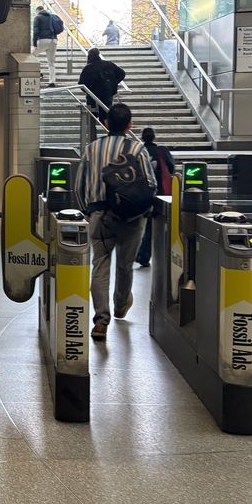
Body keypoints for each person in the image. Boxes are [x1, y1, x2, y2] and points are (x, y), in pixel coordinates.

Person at [75, 103, 156, 341]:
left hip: (100, 215)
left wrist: (88, 212)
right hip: (132, 217)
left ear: (106, 123)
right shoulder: (138, 149)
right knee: (125, 264)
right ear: (130, 125)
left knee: (100, 265)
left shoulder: (91, 149)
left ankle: (101, 321)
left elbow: (79, 186)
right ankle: (121, 303)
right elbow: (151, 184)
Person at [135, 127, 175, 267]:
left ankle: (140, 253)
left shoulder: (137, 151)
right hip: (160, 193)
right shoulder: (162, 151)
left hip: (140, 194)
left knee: (141, 225)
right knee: (153, 226)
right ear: (154, 137)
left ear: (142, 137)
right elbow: (171, 168)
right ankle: (145, 255)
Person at [78, 47, 126, 139]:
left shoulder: (88, 68)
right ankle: (112, 136)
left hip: (92, 97)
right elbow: (122, 73)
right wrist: (113, 84)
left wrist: (89, 91)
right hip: (106, 95)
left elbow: (81, 84)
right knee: (106, 116)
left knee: (92, 117)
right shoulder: (108, 64)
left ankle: (92, 139)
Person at [33, 5, 63, 87]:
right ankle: (52, 82)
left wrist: (34, 43)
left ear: (37, 11)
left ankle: (39, 72)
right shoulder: (52, 16)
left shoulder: (37, 17)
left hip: (42, 40)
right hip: (53, 41)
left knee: (31, 56)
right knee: (51, 63)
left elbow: (35, 31)